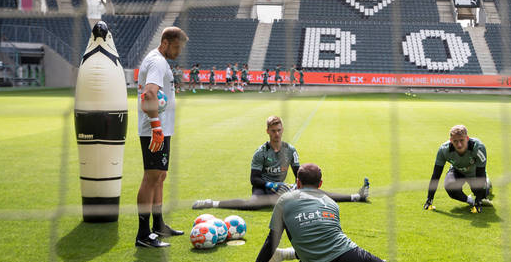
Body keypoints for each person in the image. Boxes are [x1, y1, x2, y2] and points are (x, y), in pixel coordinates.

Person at [223, 163, 450, 262]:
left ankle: (285, 255)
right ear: (320, 185)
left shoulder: (285, 200)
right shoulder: (331, 203)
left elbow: (271, 239)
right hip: (352, 257)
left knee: (303, 252)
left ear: (297, 182)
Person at [193, 116, 369, 210]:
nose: (277, 134)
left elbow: (300, 175)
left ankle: (356, 196)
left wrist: (297, 187)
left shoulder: (290, 150)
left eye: (279, 130)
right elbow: (254, 179)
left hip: (283, 187)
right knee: (254, 204)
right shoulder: (261, 152)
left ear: (282, 130)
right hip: (264, 187)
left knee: (313, 191)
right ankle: (211, 203)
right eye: (273, 131)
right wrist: (271, 184)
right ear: (268, 131)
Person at [136, 27, 189, 248]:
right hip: (154, 130)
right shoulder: (157, 61)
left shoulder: (159, 60)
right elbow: (148, 93)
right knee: (151, 177)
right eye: (176, 47)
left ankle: (158, 225)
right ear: (165, 42)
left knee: (160, 176)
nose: (178, 52)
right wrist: (156, 126)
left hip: (161, 129)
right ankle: (143, 234)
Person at [425, 125, 492, 214]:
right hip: (457, 170)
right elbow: (436, 175)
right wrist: (429, 199)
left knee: (482, 193)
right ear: (451, 140)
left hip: (475, 173)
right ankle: (471, 200)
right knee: (450, 186)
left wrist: (478, 202)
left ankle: (488, 184)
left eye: (462, 140)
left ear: (467, 138)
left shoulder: (478, 147)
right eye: (455, 141)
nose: (459, 144)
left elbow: (480, 174)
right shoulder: (444, 150)